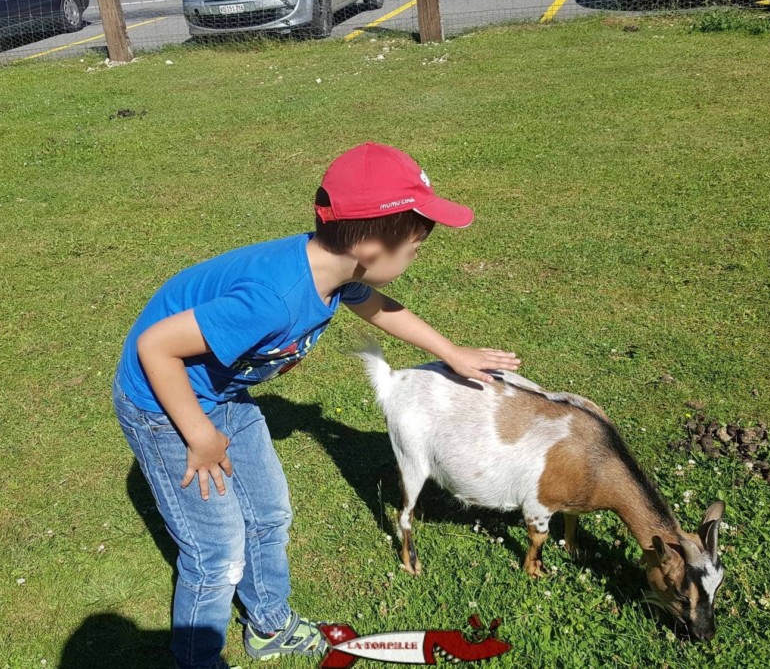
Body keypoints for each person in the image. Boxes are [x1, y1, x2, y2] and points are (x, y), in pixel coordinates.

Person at [110, 141, 522, 669]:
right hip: (164, 405)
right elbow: (155, 347)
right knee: (216, 553)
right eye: (415, 247)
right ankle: (198, 659)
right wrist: (200, 435)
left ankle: (269, 626)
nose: (416, 256)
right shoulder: (273, 299)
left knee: (269, 514)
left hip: (222, 391)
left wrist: (449, 352)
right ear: (372, 245)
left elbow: (375, 305)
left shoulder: (337, 270)